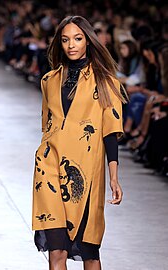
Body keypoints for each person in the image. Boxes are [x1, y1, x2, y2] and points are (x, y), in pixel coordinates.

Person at [32, 15, 128, 270]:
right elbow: (47, 125)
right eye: (65, 40)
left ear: (88, 41)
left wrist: (113, 177)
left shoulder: (106, 82)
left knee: (90, 253)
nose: (71, 45)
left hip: (86, 174)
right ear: (59, 43)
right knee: (56, 252)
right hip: (49, 171)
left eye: (77, 38)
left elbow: (110, 132)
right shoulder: (49, 81)